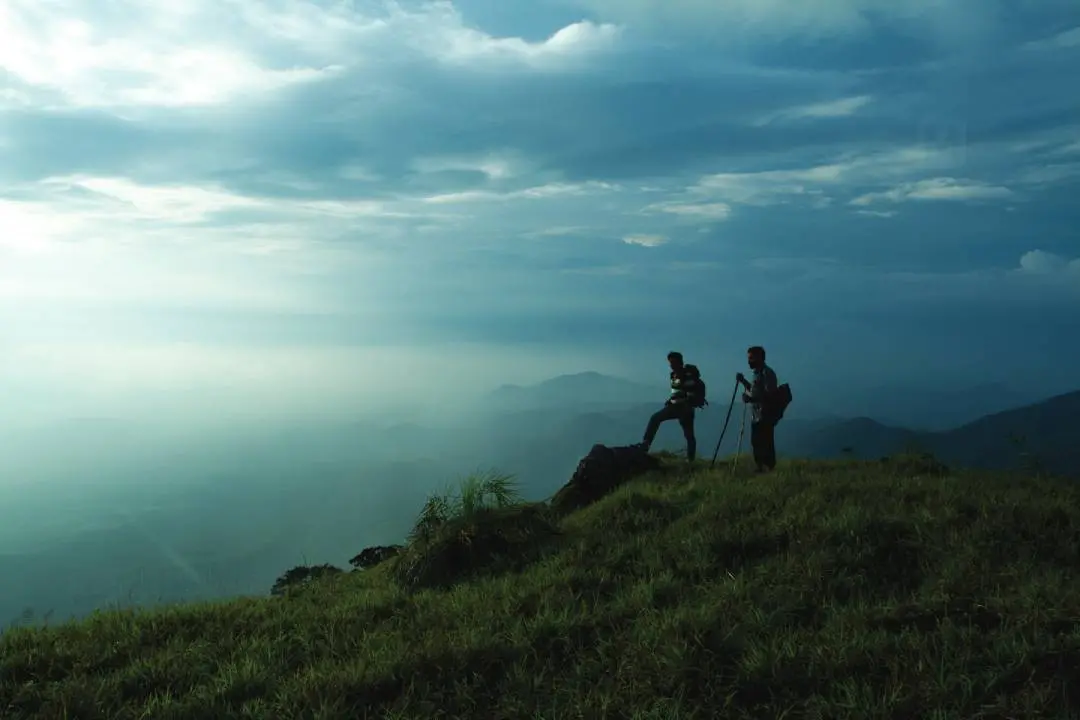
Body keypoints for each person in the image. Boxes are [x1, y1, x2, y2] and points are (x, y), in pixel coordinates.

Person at [637, 351, 704, 462]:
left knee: (657, 419)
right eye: (670, 362)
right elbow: (677, 391)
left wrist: (685, 402)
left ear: (680, 362)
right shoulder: (673, 375)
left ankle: (645, 446)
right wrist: (671, 400)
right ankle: (690, 459)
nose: (671, 365)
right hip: (678, 407)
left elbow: (690, 391)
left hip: (684, 408)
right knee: (688, 434)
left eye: (673, 362)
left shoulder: (687, 375)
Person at [736, 345, 779, 473]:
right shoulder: (756, 374)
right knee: (756, 442)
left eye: (751, 358)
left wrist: (751, 399)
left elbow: (770, 395)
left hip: (765, 414)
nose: (749, 361)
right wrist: (743, 381)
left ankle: (768, 468)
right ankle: (760, 467)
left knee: (765, 443)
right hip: (756, 415)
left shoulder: (767, 373)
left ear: (760, 358)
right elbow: (754, 390)